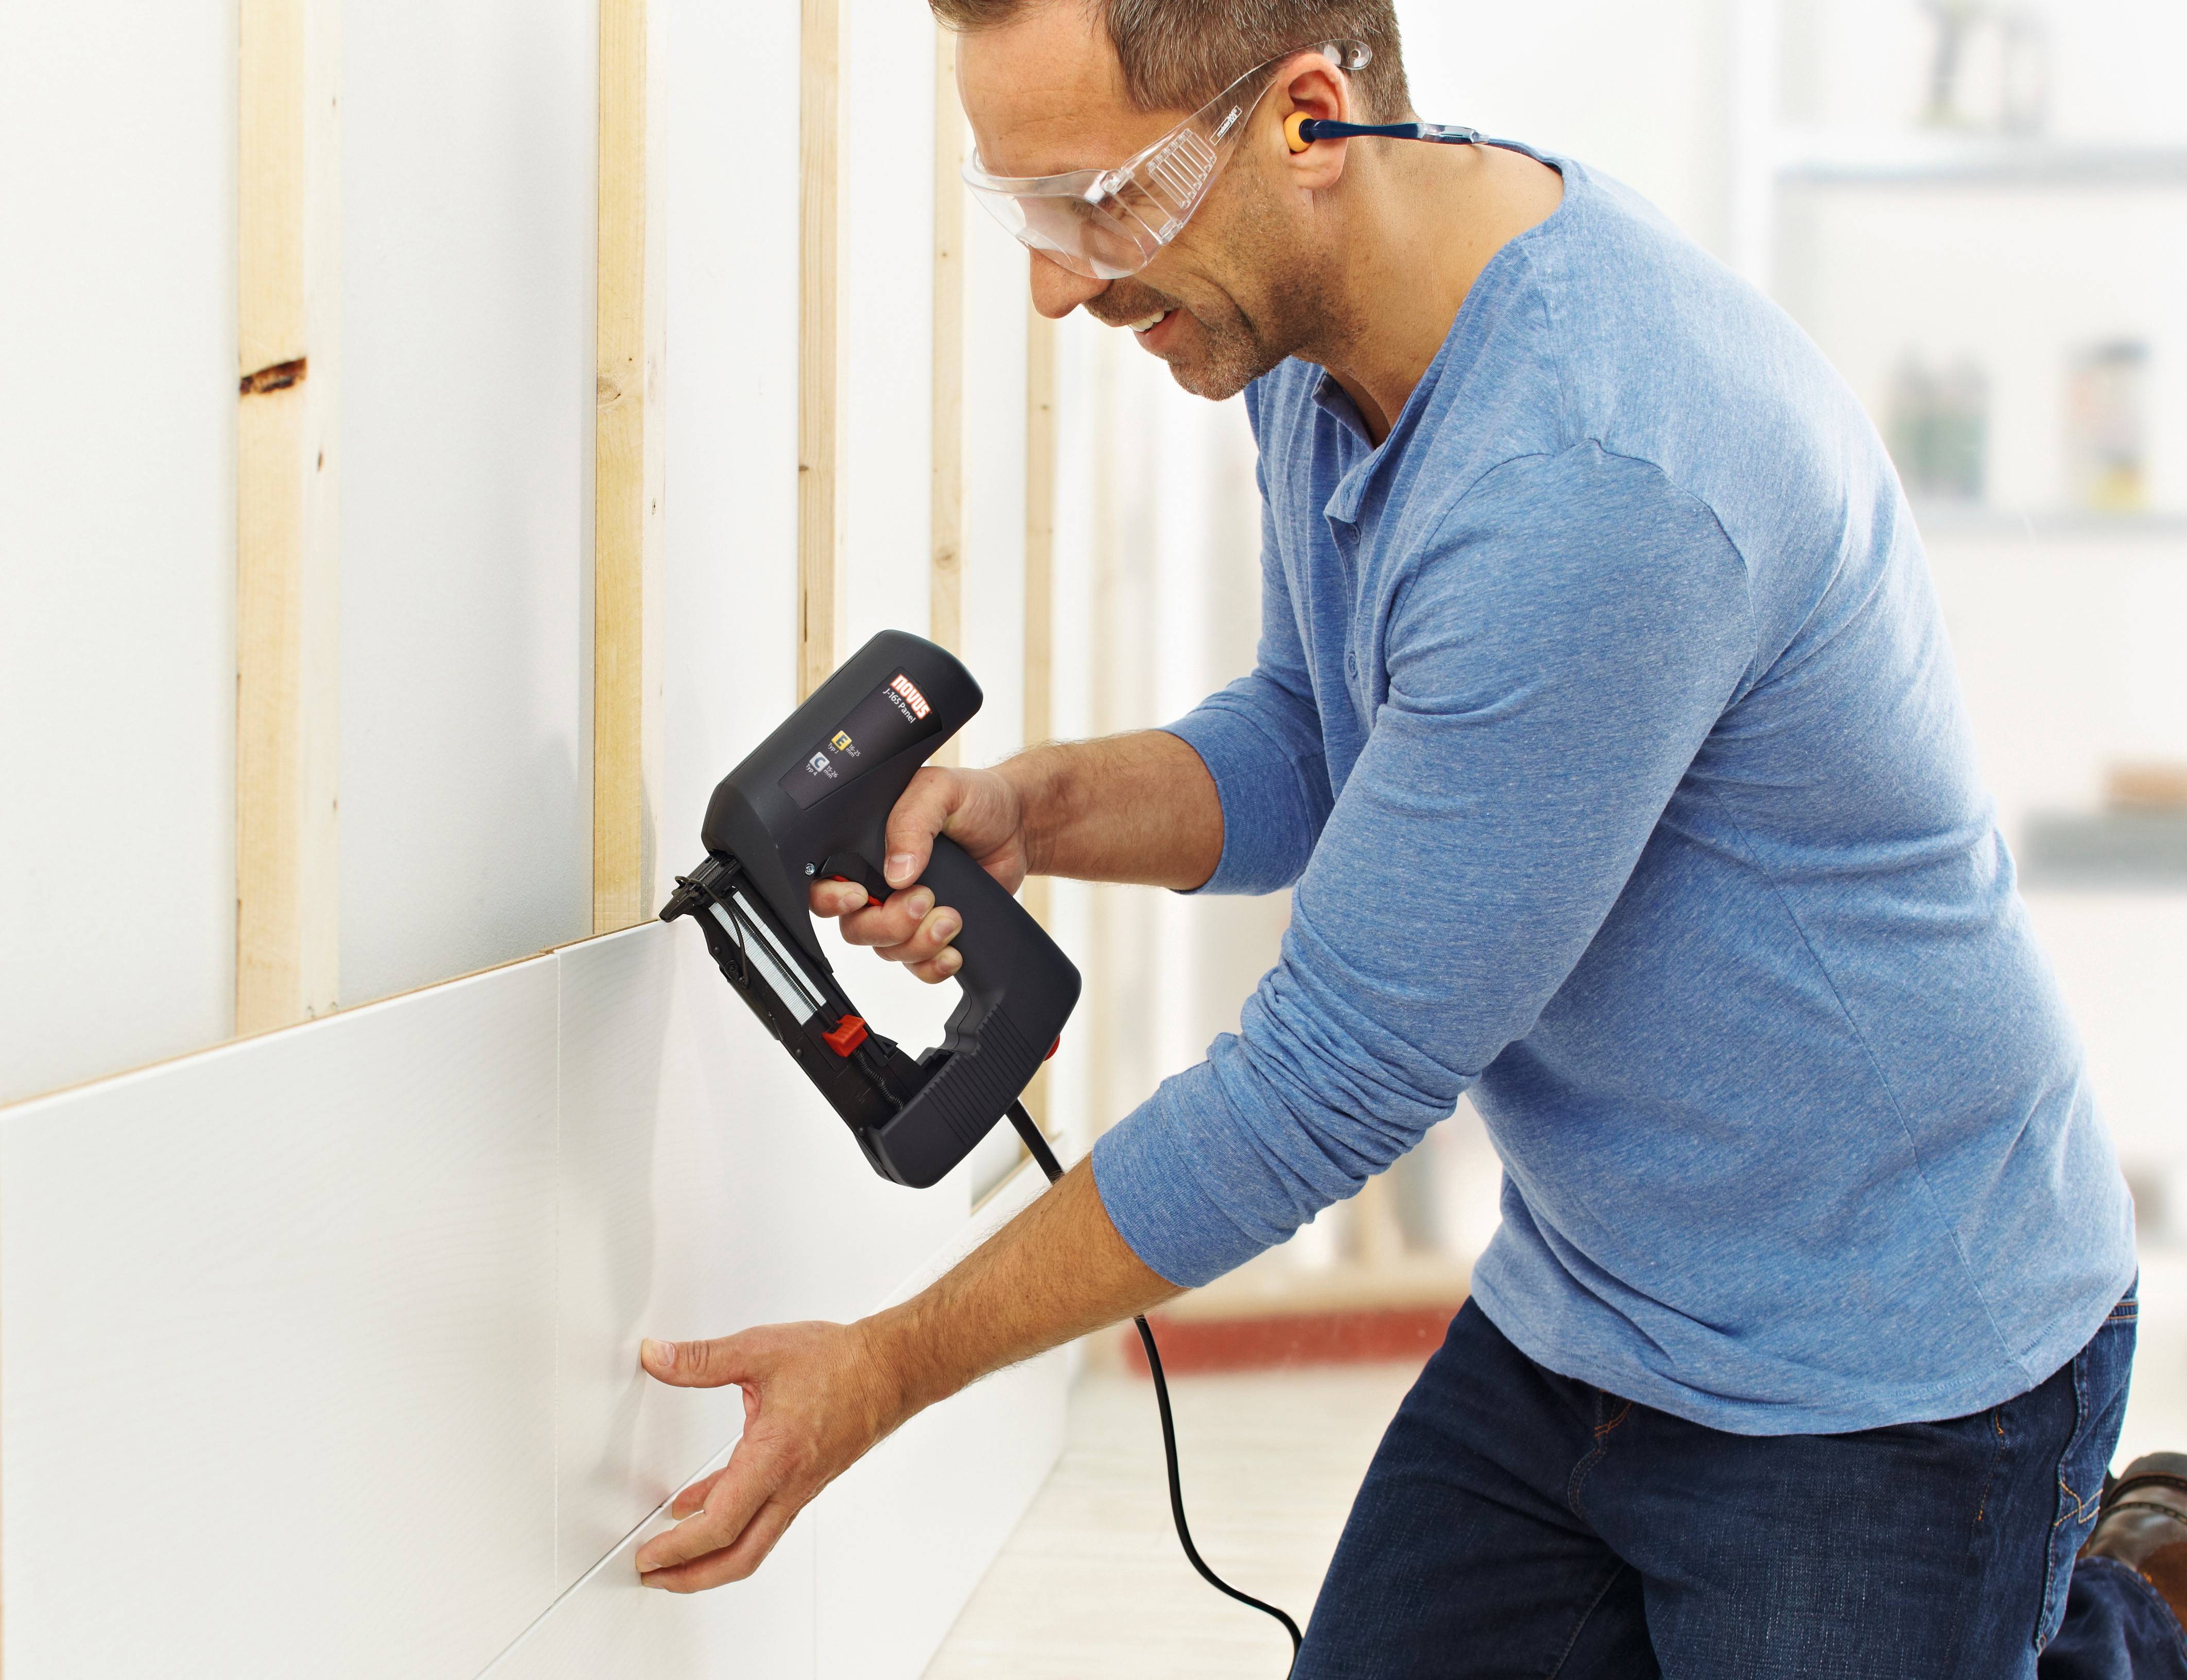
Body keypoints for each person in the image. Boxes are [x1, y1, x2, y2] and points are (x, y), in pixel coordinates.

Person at [631, 2, 2187, 1673]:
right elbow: (1321, 730)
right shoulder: (1324, 336)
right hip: (1595, 1300)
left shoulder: (1597, 472)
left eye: (1101, 203)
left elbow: (1331, 1080)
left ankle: (2134, 1608)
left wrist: (884, 1368)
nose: (1062, 280)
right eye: (1026, 211)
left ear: (1307, 119)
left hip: (1888, 1352)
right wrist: (1037, 807)